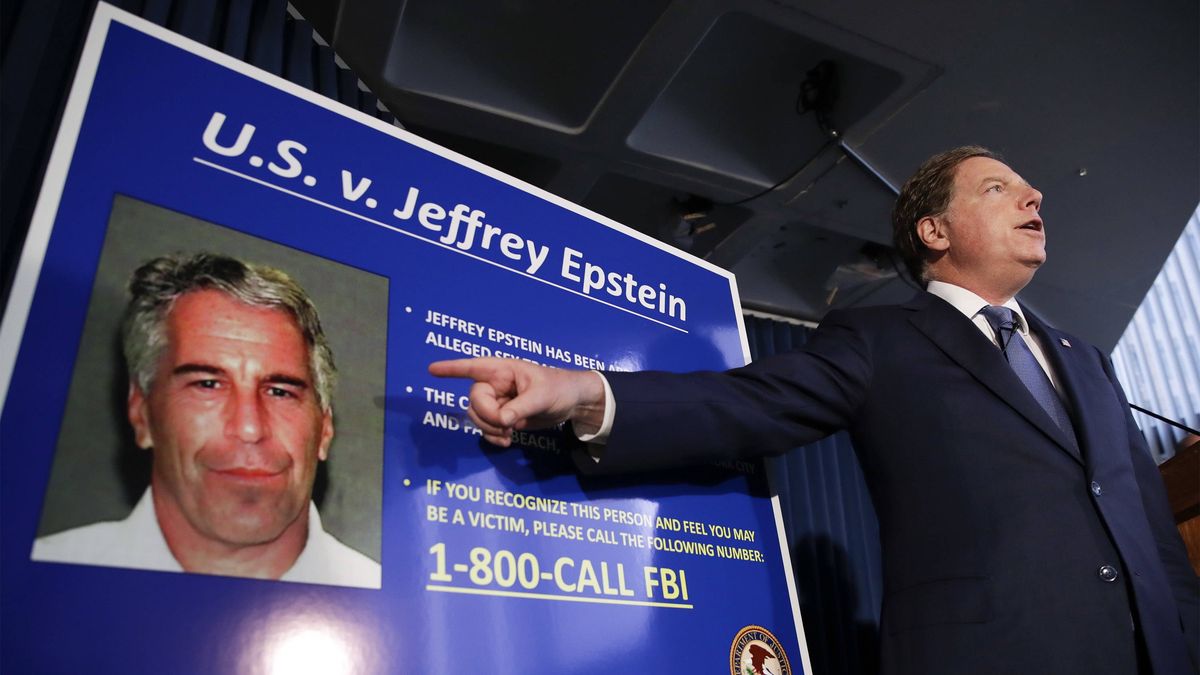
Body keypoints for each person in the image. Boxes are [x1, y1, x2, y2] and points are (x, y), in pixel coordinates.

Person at [431, 147, 1199, 674]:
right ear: (934, 231)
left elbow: (1154, 536)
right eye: (999, 188)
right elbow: (744, 403)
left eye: (1028, 188)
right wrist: (583, 392)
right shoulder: (879, 340)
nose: (1034, 196)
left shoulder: (1091, 363)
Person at [33, 253, 381, 589]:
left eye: (279, 391)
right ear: (142, 414)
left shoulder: (396, 600)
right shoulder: (32, 583)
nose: (249, 428)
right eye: (207, 385)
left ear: (325, 429)